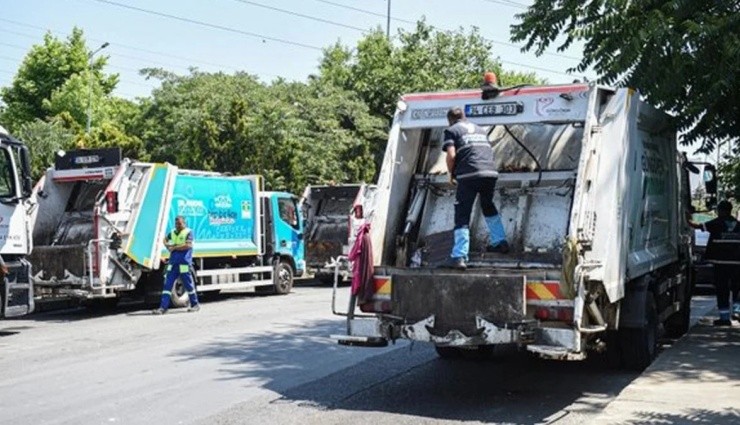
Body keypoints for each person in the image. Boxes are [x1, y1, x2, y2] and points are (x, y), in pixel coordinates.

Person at [440, 107, 508, 270]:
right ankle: (500, 242)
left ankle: (459, 256)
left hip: (469, 174)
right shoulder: (480, 129)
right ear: (464, 117)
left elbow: (451, 155)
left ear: (450, 119)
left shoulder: (451, 130)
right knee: (487, 205)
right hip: (490, 172)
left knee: (462, 212)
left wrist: (451, 173)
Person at [689, 200, 740, 326]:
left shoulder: (716, 223)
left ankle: (724, 318)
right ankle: (737, 312)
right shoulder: (738, 225)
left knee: (722, 290)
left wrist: (686, 218)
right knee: (737, 289)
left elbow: (697, 226)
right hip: (737, 263)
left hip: (720, 263)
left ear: (721, 211)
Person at [152, 216, 200, 314]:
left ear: (184, 223)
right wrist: (168, 247)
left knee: (188, 285)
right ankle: (163, 308)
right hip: (173, 263)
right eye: (176, 224)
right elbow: (165, 239)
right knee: (167, 285)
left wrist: (174, 248)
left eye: (180, 224)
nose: (177, 226)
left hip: (184, 263)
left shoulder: (188, 232)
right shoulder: (173, 233)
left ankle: (195, 304)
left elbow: (188, 245)